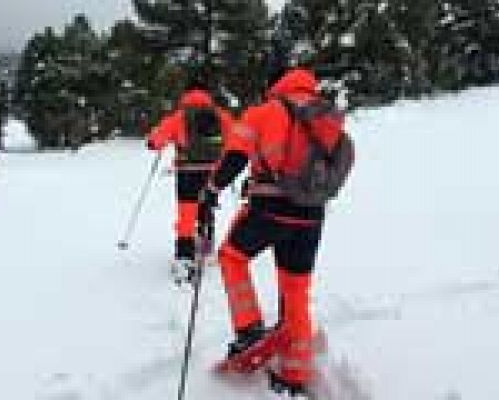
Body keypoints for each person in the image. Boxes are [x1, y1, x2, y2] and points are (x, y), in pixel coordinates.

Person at [199, 67, 355, 397]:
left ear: (278, 85)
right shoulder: (326, 116)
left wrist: (211, 190)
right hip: (311, 215)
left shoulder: (264, 112)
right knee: (296, 290)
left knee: (231, 257)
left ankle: (249, 329)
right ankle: (295, 373)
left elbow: (235, 157)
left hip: (269, 208)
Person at [146, 78, 235, 284]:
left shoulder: (179, 116)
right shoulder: (221, 116)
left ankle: (185, 255)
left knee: (187, 213)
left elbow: (155, 141)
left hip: (187, 171)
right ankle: (205, 245)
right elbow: (236, 138)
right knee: (207, 206)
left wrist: (153, 141)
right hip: (214, 171)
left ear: (186, 94)